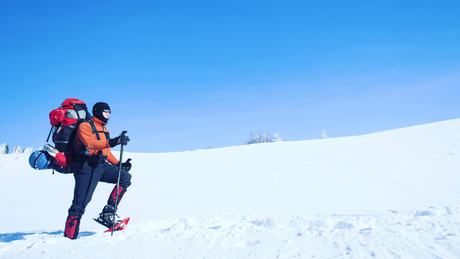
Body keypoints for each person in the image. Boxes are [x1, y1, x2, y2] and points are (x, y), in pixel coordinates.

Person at [64, 102, 132, 239]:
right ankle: (69, 238)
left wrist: (119, 164)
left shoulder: (104, 130)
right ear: (98, 111)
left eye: (110, 112)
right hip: (86, 167)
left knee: (124, 177)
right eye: (106, 111)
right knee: (80, 203)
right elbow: (90, 143)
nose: (108, 114)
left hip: (100, 165)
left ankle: (108, 213)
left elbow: (105, 152)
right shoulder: (85, 126)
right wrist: (113, 142)